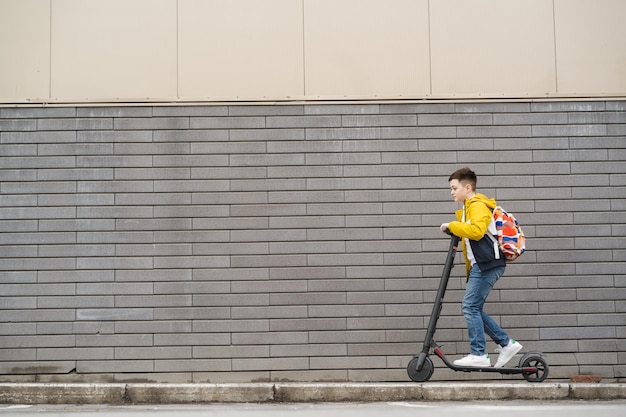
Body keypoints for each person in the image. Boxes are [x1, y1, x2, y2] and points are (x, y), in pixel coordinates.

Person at [439, 167, 522, 368]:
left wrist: (452, 225)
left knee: (470, 307)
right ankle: (506, 343)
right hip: (483, 265)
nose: (452, 192)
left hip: (487, 264)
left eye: (454, 188)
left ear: (467, 187)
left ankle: (479, 354)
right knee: (473, 307)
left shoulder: (477, 205)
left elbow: (476, 231)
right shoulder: (469, 206)